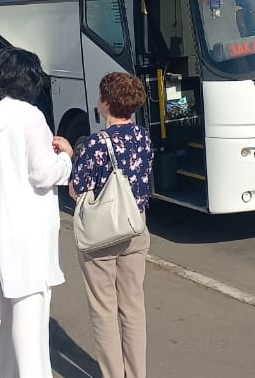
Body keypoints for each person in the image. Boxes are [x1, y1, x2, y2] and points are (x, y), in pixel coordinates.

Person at [0, 47, 73, 378]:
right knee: (30, 314)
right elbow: (42, 173)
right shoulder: (29, 116)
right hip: (25, 225)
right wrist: (66, 159)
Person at [69, 72, 154, 378]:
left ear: (105, 103)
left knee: (104, 310)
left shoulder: (95, 143)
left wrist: (72, 156)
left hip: (102, 234)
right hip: (135, 227)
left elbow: (77, 188)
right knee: (133, 307)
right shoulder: (143, 136)